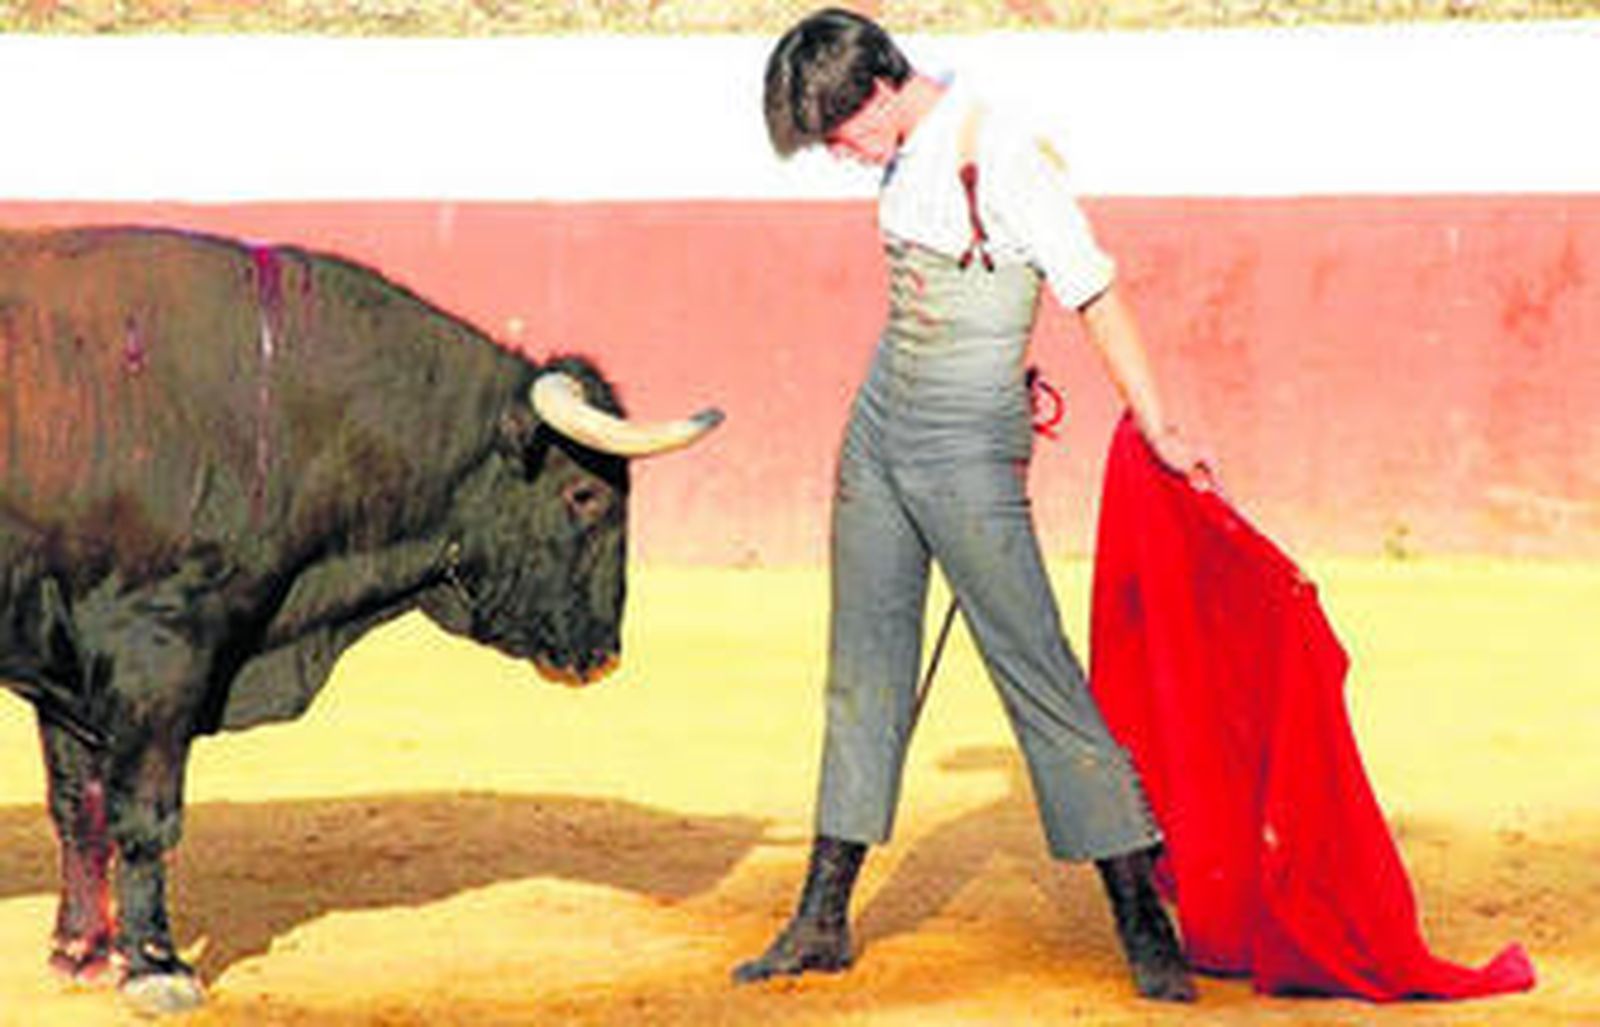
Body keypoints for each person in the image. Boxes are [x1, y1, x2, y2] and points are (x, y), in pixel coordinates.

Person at [732, 8, 1206, 1003]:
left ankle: (1139, 914)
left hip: (963, 450)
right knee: (861, 666)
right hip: (879, 428)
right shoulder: (910, 136)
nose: (835, 154)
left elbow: (1094, 292)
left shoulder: (1005, 152)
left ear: (876, 90)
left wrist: (1156, 421)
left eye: (835, 132)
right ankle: (822, 914)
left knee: (1034, 668)